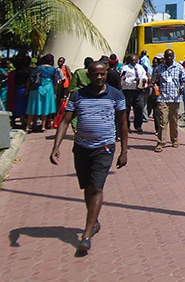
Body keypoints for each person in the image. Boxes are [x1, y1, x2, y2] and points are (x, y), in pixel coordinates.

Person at [49, 60, 128, 256]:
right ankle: (94, 221)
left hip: (105, 147)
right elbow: (66, 121)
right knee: (87, 187)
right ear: (89, 75)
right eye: (95, 74)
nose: (99, 77)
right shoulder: (78, 95)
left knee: (96, 188)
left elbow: (123, 124)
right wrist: (55, 147)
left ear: (106, 73)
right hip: (81, 148)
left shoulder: (116, 95)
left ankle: (85, 235)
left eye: (102, 74)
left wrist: (124, 151)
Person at [152, 49, 185, 152]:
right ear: (164, 57)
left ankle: (174, 139)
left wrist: (181, 88)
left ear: (173, 56)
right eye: (167, 56)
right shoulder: (159, 68)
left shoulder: (179, 67)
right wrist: (155, 87)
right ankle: (161, 142)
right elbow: (154, 80)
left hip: (175, 98)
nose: (169, 58)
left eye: (171, 56)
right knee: (163, 120)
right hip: (163, 97)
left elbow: (184, 80)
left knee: (174, 120)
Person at [26, 54, 59, 132]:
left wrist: (27, 89)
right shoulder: (53, 69)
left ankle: (28, 126)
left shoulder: (38, 67)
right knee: (45, 106)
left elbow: (30, 78)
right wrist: (55, 92)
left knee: (33, 106)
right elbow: (55, 82)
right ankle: (43, 126)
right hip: (48, 87)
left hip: (37, 87)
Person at [120, 55, 148, 133]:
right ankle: (127, 126)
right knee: (126, 110)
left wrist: (144, 80)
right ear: (129, 60)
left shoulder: (140, 67)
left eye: (135, 60)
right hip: (128, 91)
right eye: (132, 60)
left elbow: (144, 76)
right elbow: (123, 79)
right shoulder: (125, 68)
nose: (134, 62)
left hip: (138, 91)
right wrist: (133, 79)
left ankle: (138, 126)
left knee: (139, 108)